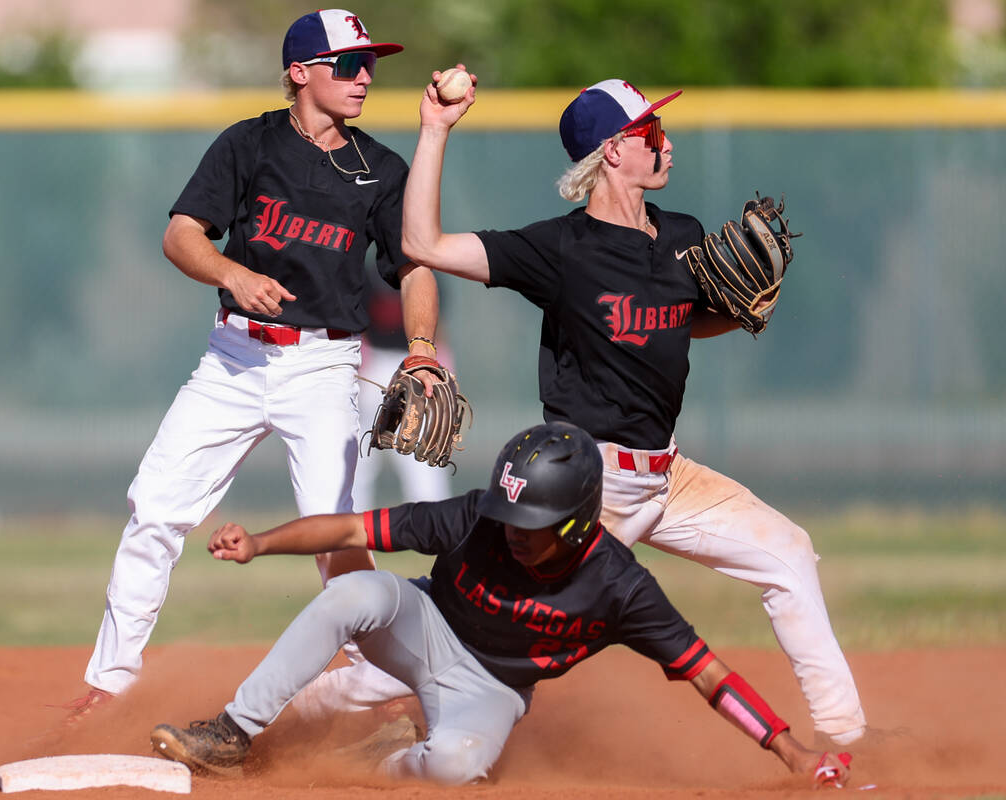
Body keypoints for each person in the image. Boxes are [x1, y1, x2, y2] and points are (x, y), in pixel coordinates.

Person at [396, 72, 867, 746]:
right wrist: (436, 129)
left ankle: (848, 737)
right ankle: (326, 703)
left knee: (789, 553)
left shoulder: (682, 234)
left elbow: (681, 320)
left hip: (666, 476)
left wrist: (737, 312)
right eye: (652, 133)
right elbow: (424, 245)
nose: (666, 145)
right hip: (587, 486)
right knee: (485, 619)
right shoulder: (558, 250)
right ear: (612, 152)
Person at [65, 9, 442, 716]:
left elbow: (415, 266)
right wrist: (232, 274)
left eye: (369, 64)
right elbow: (182, 236)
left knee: (336, 529)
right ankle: (110, 683)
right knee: (154, 508)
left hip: (324, 369)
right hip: (232, 361)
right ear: (301, 73)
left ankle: (379, 679)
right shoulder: (249, 145)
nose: (364, 76)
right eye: (347, 64)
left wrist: (420, 350)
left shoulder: (381, 170)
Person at [149, 422, 853, 788]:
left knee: (457, 766)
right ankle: (232, 732)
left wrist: (789, 750)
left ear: (579, 525)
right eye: (507, 517)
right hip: (424, 627)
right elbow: (351, 530)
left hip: (492, 690)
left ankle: (381, 760)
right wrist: (261, 542)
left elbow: (708, 673)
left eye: (532, 525)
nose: (511, 535)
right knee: (358, 588)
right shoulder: (480, 519)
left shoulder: (620, 587)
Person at [351, 269, 453, 512]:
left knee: (419, 452)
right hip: (373, 361)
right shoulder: (368, 273)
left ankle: (432, 519)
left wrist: (442, 366)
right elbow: (358, 321)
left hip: (414, 363)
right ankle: (350, 524)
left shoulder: (427, 273)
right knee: (359, 453)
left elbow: (438, 325)